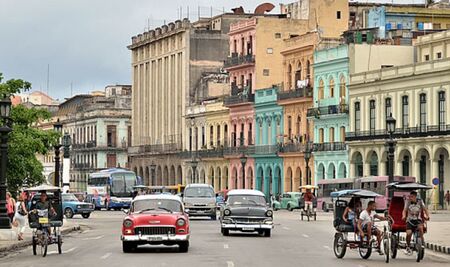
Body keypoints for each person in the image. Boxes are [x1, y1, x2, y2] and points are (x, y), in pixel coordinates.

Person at [402, 191, 429, 255]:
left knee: (420, 228)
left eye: (412, 197)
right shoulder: (407, 202)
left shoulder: (420, 202)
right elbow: (404, 210)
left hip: (418, 220)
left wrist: (427, 216)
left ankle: (422, 242)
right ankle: (408, 246)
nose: (410, 198)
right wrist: (403, 216)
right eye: (410, 196)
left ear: (416, 197)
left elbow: (425, 210)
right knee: (409, 233)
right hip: (410, 220)